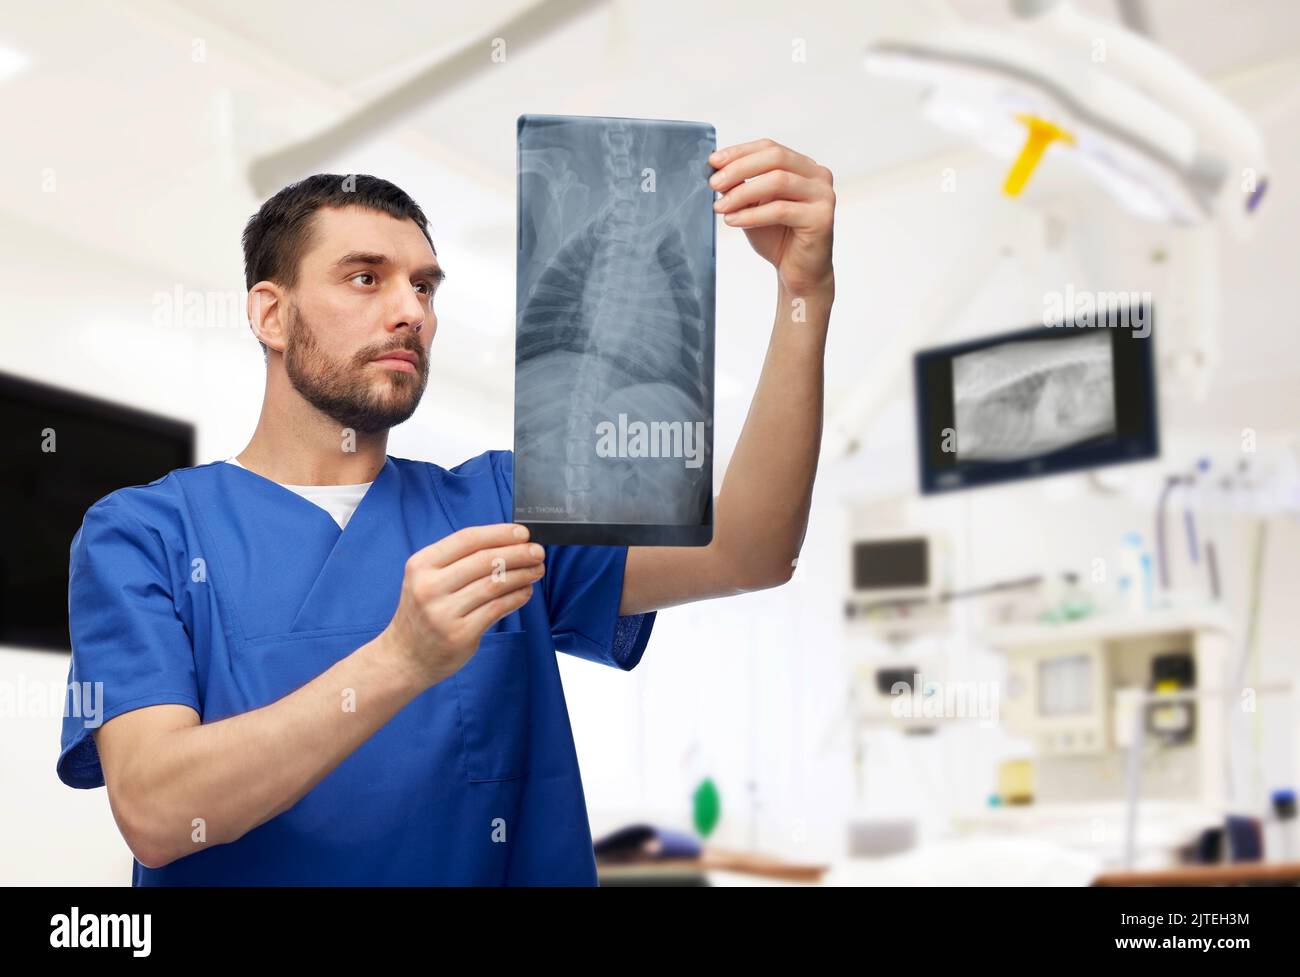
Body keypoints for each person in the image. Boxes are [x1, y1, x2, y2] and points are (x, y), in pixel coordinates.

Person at [56, 138, 836, 884]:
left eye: (424, 286)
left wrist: (803, 294)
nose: (412, 312)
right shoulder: (144, 535)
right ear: (270, 314)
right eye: (367, 278)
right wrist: (400, 659)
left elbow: (749, 550)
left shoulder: (501, 502)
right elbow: (158, 811)